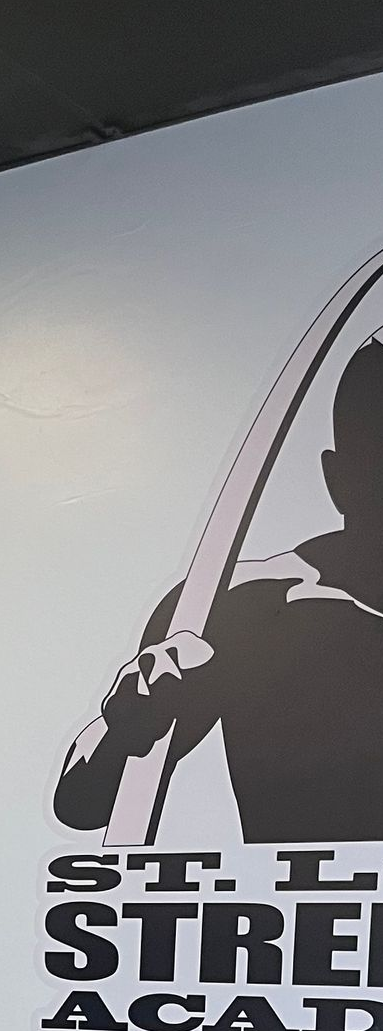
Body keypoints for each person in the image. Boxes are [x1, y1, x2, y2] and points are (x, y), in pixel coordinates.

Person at [55, 335, 383, 844]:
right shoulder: (241, 603)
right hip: (317, 913)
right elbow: (84, 800)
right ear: (338, 478)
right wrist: (129, 724)